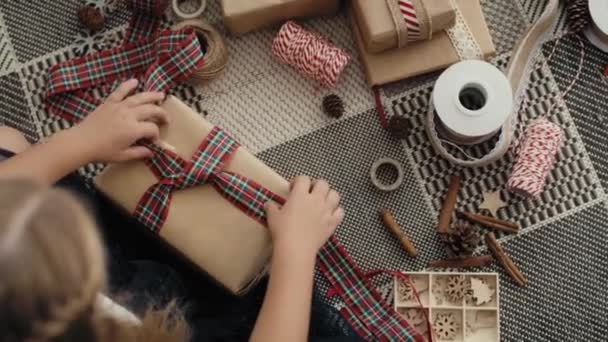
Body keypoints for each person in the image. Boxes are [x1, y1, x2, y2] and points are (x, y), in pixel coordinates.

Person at [0, 80, 359, 341]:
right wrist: (295, 252)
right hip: (199, 325)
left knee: (7, 145)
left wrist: (83, 140)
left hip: (104, 276)